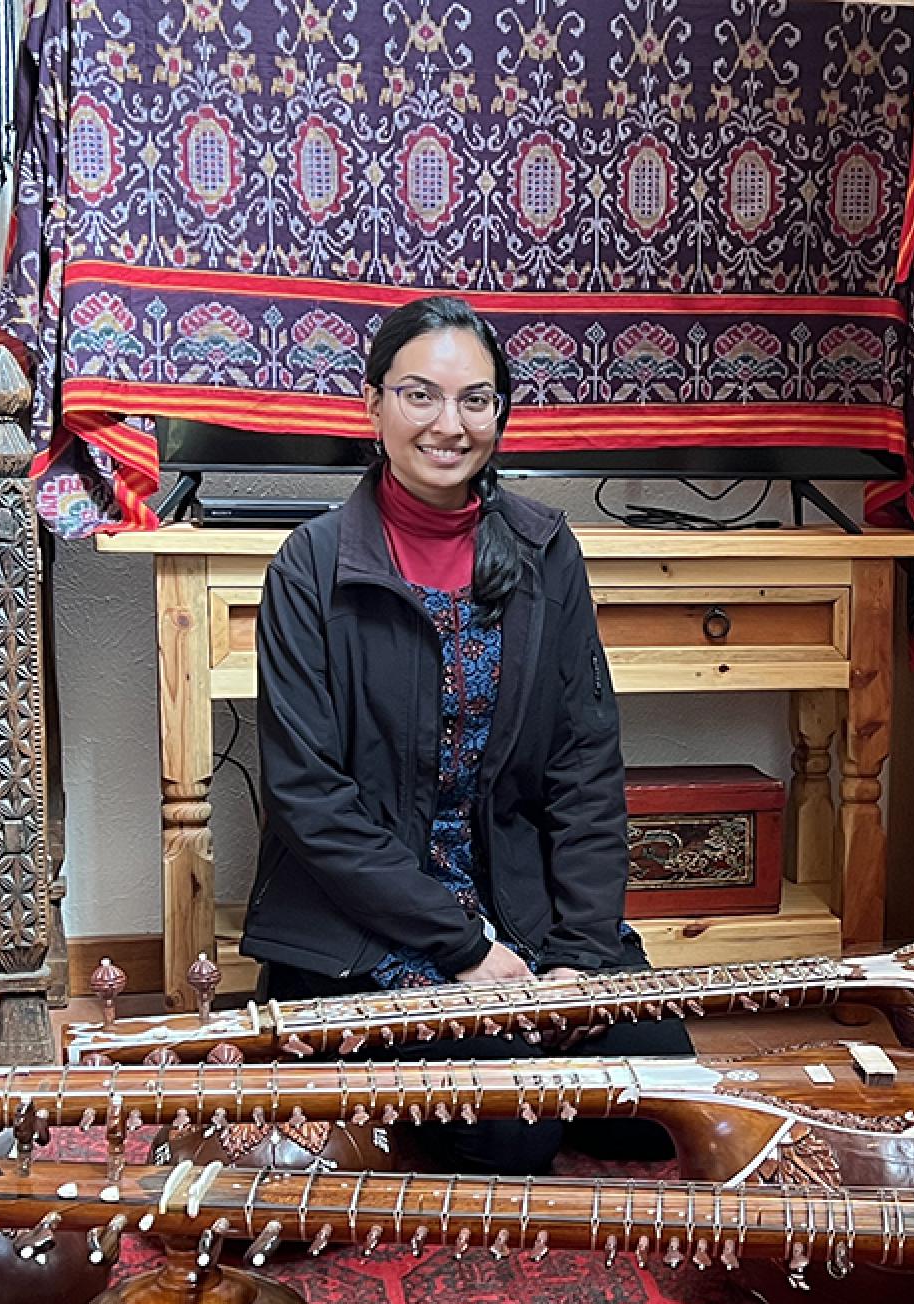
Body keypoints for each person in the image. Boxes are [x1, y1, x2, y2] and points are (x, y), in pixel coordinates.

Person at [241, 295, 687, 1171]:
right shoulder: (311, 566)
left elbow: (584, 764)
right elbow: (309, 800)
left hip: (520, 906)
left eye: (475, 400)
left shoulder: (545, 549)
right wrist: (466, 951)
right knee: (511, 1134)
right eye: (421, 396)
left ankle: (524, 1032)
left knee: (660, 1101)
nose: (450, 425)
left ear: (500, 413)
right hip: (371, 922)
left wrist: (579, 962)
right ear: (372, 406)